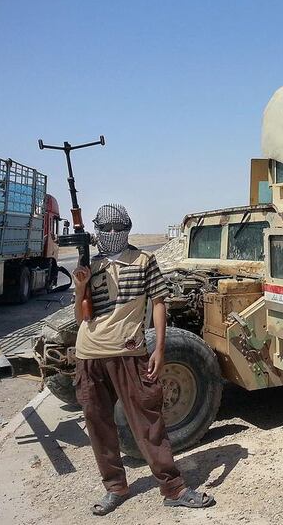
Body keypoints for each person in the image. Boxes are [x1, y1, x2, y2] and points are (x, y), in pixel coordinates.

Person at [72, 203, 214, 515]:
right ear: (96, 231)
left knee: (148, 423)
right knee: (98, 423)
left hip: (129, 353)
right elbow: (81, 316)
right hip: (89, 355)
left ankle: (173, 488)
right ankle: (115, 486)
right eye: (105, 228)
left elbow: (159, 302)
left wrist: (160, 349)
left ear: (127, 229)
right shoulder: (90, 265)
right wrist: (81, 286)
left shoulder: (143, 261)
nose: (112, 234)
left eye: (118, 227)